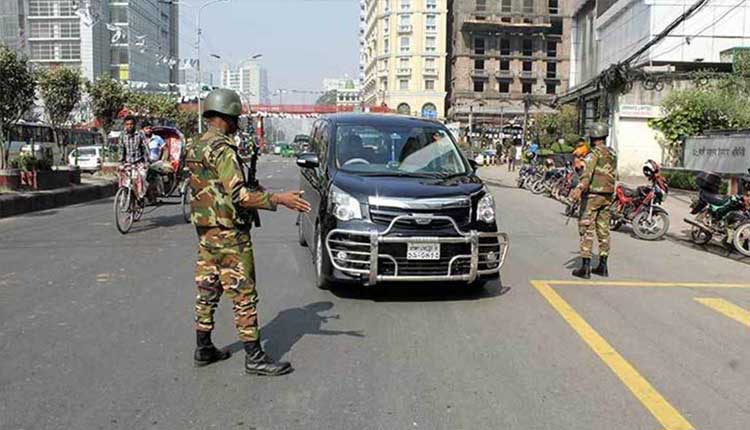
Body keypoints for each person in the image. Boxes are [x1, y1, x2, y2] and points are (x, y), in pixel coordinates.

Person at [185, 88, 311, 376]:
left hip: (206, 231)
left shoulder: (195, 145)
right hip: (230, 233)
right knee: (243, 293)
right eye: (235, 118)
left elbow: (212, 187)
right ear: (227, 117)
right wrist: (280, 199)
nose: (237, 123)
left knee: (207, 288)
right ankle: (254, 356)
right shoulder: (223, 149)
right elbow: (239, 196)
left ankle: (203, 347)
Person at [569, 122, 617, 279]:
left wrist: (578, 189)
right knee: (603, 229)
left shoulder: (593, 154)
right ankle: (603, 266)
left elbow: (587, 175)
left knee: (586, 228)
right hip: (608, 196)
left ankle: (585, 267)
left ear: (593, 136)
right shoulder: (612, 153)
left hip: (592, 196)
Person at [119, 116, 149, 198]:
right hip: (128, 162)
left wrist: (146, 162)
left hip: (139, 162)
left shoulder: (140, 134)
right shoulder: (122, 135)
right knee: (124, 178)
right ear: (125, 125)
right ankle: (125, 195)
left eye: (131, 124)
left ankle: (140, 197)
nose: (129, 126)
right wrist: (121, 162)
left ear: (134, 125)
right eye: (127, 124)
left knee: (141, 178)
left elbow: (145, 148)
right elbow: (121, 149)